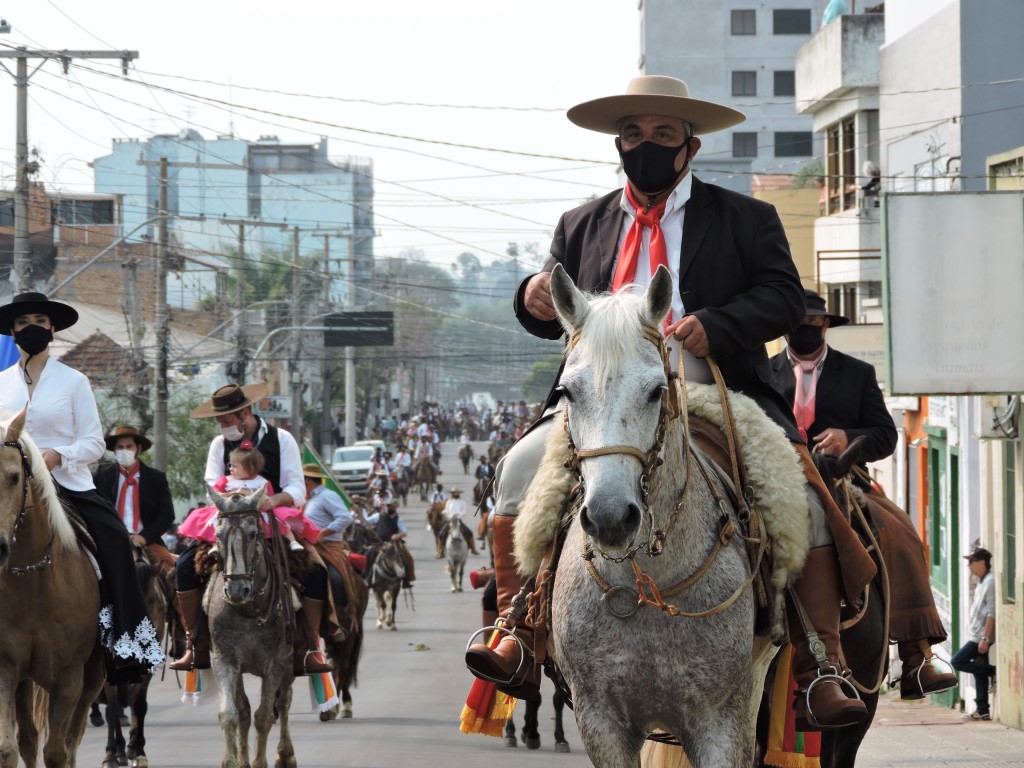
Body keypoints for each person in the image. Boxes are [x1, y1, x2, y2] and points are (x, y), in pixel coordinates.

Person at [465, 75, 876, 729]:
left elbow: (783, 297)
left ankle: (820, 660)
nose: (645, 145)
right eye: (633, 134)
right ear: (619, 144)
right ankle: (515, 626)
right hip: (607, 399)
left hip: (715, 385)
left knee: (799, 491)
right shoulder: (582, 223)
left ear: (690, 145)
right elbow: (553, 311)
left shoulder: (747, 218)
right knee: (517, 469)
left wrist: (719, 324)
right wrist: (531, 294)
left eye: (662, 134)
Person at [770, 289, 957, 700]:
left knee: (900, 528)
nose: (806, 329)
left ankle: (917, 653)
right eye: (798, 323)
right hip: (778, 481)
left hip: (844, 477)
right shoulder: (763, 376)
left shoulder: (856, 373)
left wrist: (847, 437)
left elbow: (886, 435)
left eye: (814, 323)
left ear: (826, 326)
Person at [0, 292, 163, 681]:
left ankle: (120, 641)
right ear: (12, 331)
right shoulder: (0, 383)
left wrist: (57, 455)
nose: (32, 328)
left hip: (66, 485)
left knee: (114, 539)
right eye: (23, 323)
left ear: (52, 328)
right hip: (8, 486)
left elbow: (92, 442)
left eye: (40, 320)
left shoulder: (74, 380)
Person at [170, 383, 331, 675]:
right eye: (219, 422)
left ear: (245, 413)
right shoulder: (219, 444)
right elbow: (210, 487)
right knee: (183, 566)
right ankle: (196, 644)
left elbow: (296, 488)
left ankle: (311, 647)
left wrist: (272, 500)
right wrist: (235, 501)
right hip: (229, 518)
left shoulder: (283, 440)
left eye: (227, 421)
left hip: (272, 517)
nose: (222, 427)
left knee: (318, 572)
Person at [177, 441, 316, 553]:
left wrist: (266, 500)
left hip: (256, 513)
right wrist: (231, 494)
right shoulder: (226, 480)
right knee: (215, 525)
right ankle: (215, 545)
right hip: (229, 512)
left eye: (235, 466)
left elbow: (269, 497)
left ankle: (292, 541)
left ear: (249, 468)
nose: (230, 469)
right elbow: (215, 495)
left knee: (280, 520)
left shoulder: (262, 481)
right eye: (230, 465)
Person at [93, 424, 177, 575]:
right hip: (109, 541)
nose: (124, 451)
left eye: (129, 446)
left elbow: (167, 515)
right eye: (120, 447)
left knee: (173, 575)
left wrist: (144, 537)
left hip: (147, 543)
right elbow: (95, 508)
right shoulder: (102, 475)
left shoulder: (156, 478)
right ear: (114, 450)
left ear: (138, 448)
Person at [302, 463, 361, 640]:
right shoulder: (303, 500)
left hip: (327, 546)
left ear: (307, 481)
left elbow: (345, 517)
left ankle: (341, 618)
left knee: (334, 576)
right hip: (306, 546)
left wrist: (323, 533)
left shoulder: (327, 496)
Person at [952, 548, 996, 720]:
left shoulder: (990, 582)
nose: (969, 565)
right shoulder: (981, 581)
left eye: (972, 562)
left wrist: (985, 638)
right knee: (979, 672)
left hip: (980, 637)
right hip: (977, 634)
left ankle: (992, 670)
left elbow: (991, 613)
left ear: (982, 563)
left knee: (957, 661)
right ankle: (983, 709)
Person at [365, 499, 416, 588]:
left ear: (396, 507)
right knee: (367, 556)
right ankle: (367, 578)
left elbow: (404, 532)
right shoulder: (379, 516)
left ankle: (406, 580)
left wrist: (397, 535)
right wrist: (358, 514)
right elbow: (365, 522)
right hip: (379, 542)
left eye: (392, 506)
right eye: (389, 506)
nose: (390, 507)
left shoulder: (398, 518)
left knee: (407, 557)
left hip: (394, 543)